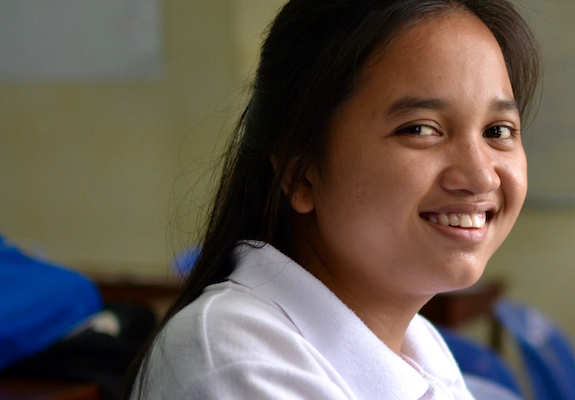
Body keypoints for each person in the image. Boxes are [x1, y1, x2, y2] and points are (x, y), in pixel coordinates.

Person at [123, 0, 540, 398]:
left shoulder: (417, 344)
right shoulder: (240, 363)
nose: (481, 175)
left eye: (498, 131)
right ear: (300, 174)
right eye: (420, 129)